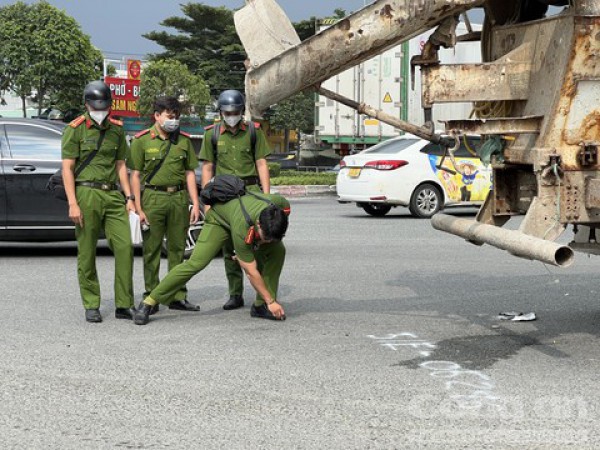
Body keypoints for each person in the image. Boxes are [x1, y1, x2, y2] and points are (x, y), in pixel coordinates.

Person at [134, 190, 290, 325]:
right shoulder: (243, 225)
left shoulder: (280, 205)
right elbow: (250, 271)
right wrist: (272, 301)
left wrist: (264, 242)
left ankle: (260, 306)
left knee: (278, 251)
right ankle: (149, 301)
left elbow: (270, 234)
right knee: (196, 263)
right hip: (219, 220)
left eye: (271, 239)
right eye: (265, 238)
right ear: (258, 224)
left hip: (240, 215)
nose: (267, 242)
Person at [61, 80, 136, 323]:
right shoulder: (76, 128)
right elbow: (67, 168)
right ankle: (91, 303)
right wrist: (72, 202)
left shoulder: (116, 129)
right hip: (86, 193)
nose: (101, 110)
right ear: (87, 104)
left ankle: (124, 304)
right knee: (87, 251)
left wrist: (129, 197)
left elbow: (121, 166)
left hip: (112, 194)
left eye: (104, 106)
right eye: (96, 106)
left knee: (124, 247)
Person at [199, 89, 272, 311]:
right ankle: (235, 293)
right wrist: (207, 201)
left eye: (236, 111)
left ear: (242, 111)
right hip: (225, 195)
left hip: (250, 192)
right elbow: (208, 167)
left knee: (258, 242)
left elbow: (261, 163)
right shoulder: (211, 134)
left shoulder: (253, 131)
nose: (232, 115)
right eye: (228, 112)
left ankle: (262, 294)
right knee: (229, 245)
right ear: (221, 112)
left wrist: (267, 197)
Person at [128, 96, 201, 313]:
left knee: (178, 250)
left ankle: (177, 296)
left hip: (178, 199)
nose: (174, 121)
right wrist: (138, 207)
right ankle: (151, 295)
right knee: (151, 251)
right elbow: (135, 176)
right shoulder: (142, 140)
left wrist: (195, 203)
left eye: (177, 116)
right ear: (157, 116)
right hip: (153, 198)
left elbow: (189, 173)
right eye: (170, 116)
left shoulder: (184, 141)